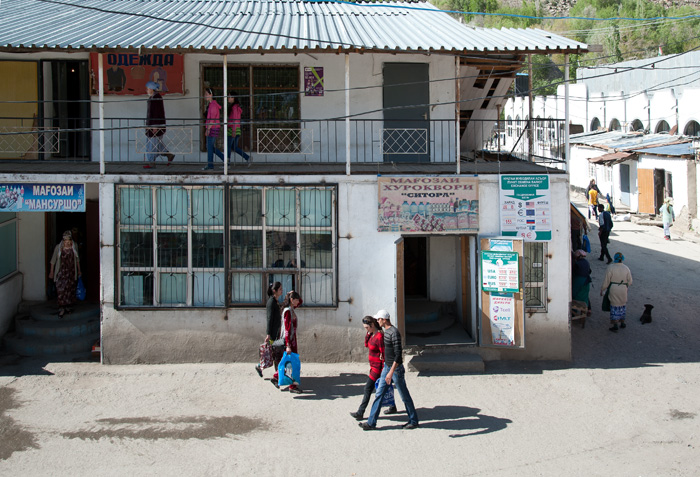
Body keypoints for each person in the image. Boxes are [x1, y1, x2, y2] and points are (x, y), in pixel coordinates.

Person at [360, 310, 419, 430]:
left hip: (395, 369)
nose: (377, 321)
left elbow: (398, 355)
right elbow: (388, 350)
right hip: (387, 367)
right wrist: (384, 357)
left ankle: (413, 420)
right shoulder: (386, 332)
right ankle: (371, 423)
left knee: (404, 396)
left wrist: (391, 372)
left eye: (378, 319)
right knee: (379, 394)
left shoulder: (394, 333)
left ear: (384, 320)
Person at [350, 316, 397, 421]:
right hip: (373, 367)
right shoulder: (372, 334)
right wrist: (367, 334)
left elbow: (384, 352)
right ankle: (392, 406)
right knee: (385, 388)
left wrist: (384, 369)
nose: (366, 329)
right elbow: (366, 344)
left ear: (372, 325)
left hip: (378, 368)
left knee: (368, 389)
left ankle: (360, 412)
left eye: (367, 327)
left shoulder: (379, 336)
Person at [49, 230, 82, 318]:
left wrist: (79, 270)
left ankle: (68, 307)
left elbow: (77, 259)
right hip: (61, 273)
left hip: (71, 272)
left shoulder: (74, 247)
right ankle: (61, 308)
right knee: (61, 290)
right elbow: (53, 261)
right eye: (65, 241)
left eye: (68, 241)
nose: (67, 243)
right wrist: (51, 272)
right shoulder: (58, 248)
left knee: (70, 289)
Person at [143, 81, 175, 169]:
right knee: (156, 143)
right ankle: (168, 155)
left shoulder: (156, 98)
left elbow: (157, 113)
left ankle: (152, 162)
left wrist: (155, 126)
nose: (147, 90)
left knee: (152, 144)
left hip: (155, 126)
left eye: (148, 89)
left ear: (151, 89)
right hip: (153, 125)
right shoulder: (153, 98)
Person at [256, 282, 284, 383]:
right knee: (275, 352)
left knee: (273, 352)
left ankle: (260, 366)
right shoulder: (271, 302)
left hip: (277, 332)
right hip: (273, 334)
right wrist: (268, 334)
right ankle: (278, 374)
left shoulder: (275, 301)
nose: (282, 290)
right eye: (280, 289)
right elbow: (269, 318)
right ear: (274, 291)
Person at [601, 252, 633, 332]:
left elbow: (606, 281)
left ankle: (615, 324)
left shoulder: (611, 267)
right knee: (622, 305)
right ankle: (622, 322)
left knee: (614, 306)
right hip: (623, 289)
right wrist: (625, 285)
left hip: (613, 289)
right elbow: (630, 282)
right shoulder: (626, 268)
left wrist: (602, 289)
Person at [281, 290, 303, 393]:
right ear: (291, 300)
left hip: (293, 340)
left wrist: (293, 292)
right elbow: (287, 329)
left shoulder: (292, 309)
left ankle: (277, 377)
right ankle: (291, 386)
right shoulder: (288, 311)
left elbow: (301, 302)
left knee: (291, 362)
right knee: (291, 363)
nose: (298, 302)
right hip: (289, 341)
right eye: (296, 300)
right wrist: (288, 345)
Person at [202, 87, 225, 170]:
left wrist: (208, 129)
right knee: (210, 146)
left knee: (209, 146)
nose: (205, 96)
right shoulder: (211, 104)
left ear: (211, 95)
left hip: (213, 127)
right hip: (212, 127)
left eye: (206, 94)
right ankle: (224, 159)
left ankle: (210, 165)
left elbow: (212, 119)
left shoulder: (213, 105)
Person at [226, 92, 250, 163]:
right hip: (236, 129)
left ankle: (227, 163)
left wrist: (233, 130)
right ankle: (247, 157)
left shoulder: (234, 107)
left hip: (233, 129)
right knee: (234, 147)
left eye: (230, 97)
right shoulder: (236, 107)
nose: (228, 98)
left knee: (228, 147)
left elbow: (235, 120)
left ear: (234, 98)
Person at [572, 249, 592, 316]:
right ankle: (588, 309)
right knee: (585, 296)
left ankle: (573, 313)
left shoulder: (577, 263)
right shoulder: (586, 262)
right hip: (587, 281)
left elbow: (574, 273)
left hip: (579, 281)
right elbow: (589, 271)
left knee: (574, 295)